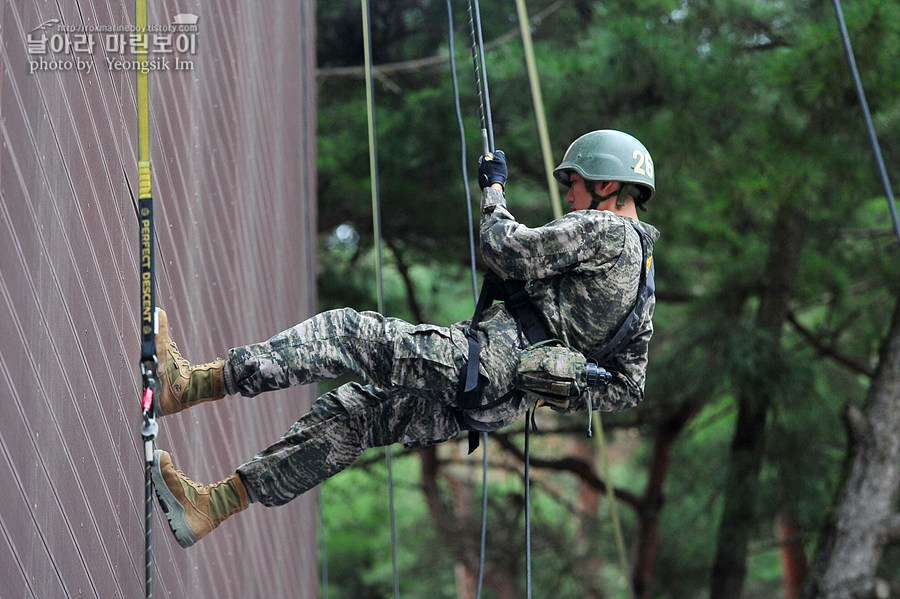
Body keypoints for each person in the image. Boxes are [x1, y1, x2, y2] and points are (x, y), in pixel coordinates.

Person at [149, 129, 661, 548]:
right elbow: (628, 387)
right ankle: (210, 508)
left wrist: (494, 192)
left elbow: (504, 248)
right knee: (351, 419)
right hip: (491, 403)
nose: (569, 192)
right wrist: (559, 381)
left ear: (606, 186)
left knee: (346, 333)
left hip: (479, 364)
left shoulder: (604, 229)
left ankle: (190, 384)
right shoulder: (645, 282)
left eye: (575, 181)